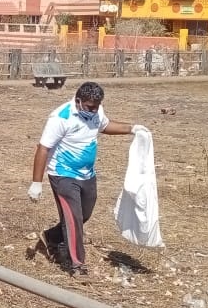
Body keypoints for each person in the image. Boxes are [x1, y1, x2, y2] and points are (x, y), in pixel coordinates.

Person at [28, 81, 148, 276]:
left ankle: (51, 237)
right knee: (73, 218)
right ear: (78, 101)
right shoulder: (61, 117)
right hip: (62, 174)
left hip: (87, 174)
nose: (93, 111)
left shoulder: (96, 111)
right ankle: (76, 264)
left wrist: (132, 129)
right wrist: (36, 183)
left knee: (84, 214)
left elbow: (105, 125)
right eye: (90, 107)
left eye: (97, 106)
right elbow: (43, 148)